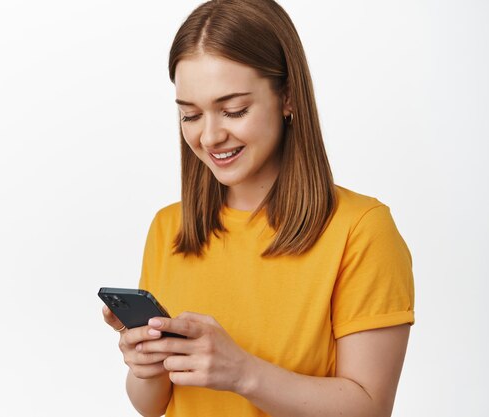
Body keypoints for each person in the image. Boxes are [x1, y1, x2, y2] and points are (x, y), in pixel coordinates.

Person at [102, 1, 415, 416]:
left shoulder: (360, 229)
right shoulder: (169, 227)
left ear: (287, 97)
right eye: (190, 115)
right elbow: (152, 406)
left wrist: (243, 373)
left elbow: (369, 408)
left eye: (234, 110)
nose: (210, 136)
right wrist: (146, 368)